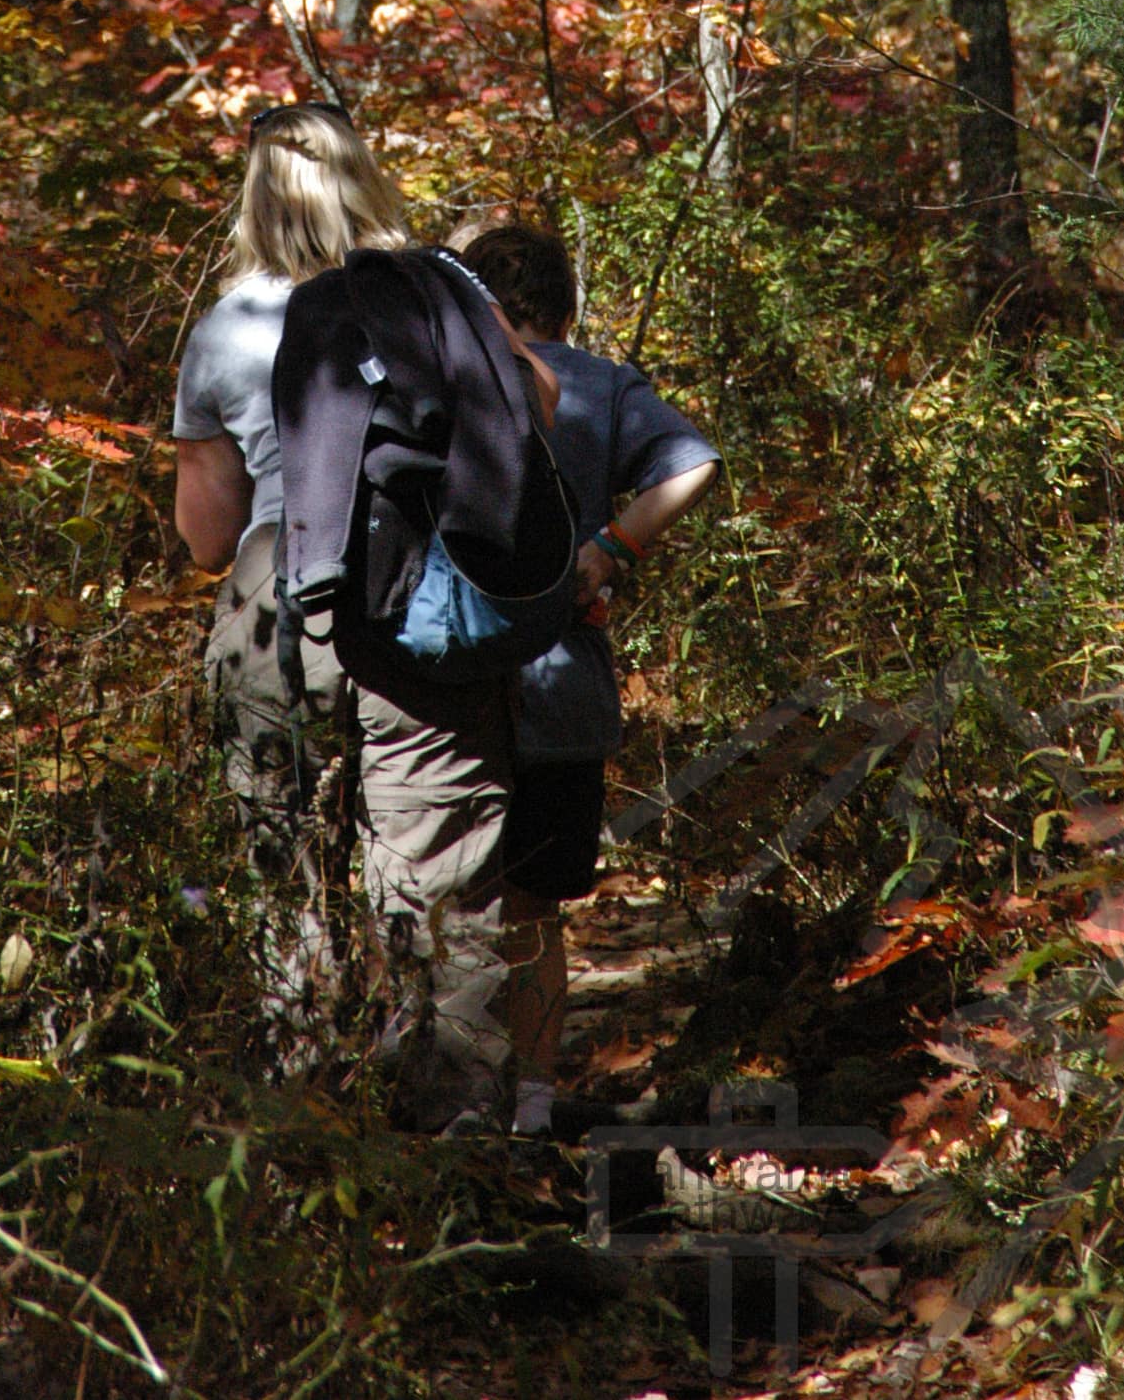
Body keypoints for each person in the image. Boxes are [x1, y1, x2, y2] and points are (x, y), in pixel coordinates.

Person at [459, 221, 719, 1137]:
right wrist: (608, 550)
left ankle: (456, 1099)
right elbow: (693, 463)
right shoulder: (602, 384)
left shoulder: (448, 375)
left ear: (476, 298)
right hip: (562, 688)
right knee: (534, 907)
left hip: (448, 687)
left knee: (448, 895)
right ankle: (528, 1106)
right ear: (566, 303)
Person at [171, 100, 412, 1053]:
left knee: (282, 846)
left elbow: (204, 536)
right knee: (418, 845)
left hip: (281, 587)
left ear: (256, 201)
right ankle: (439, 1079)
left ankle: (309, 1065)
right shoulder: (429, 297)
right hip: (417, 586)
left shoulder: (227, 330)